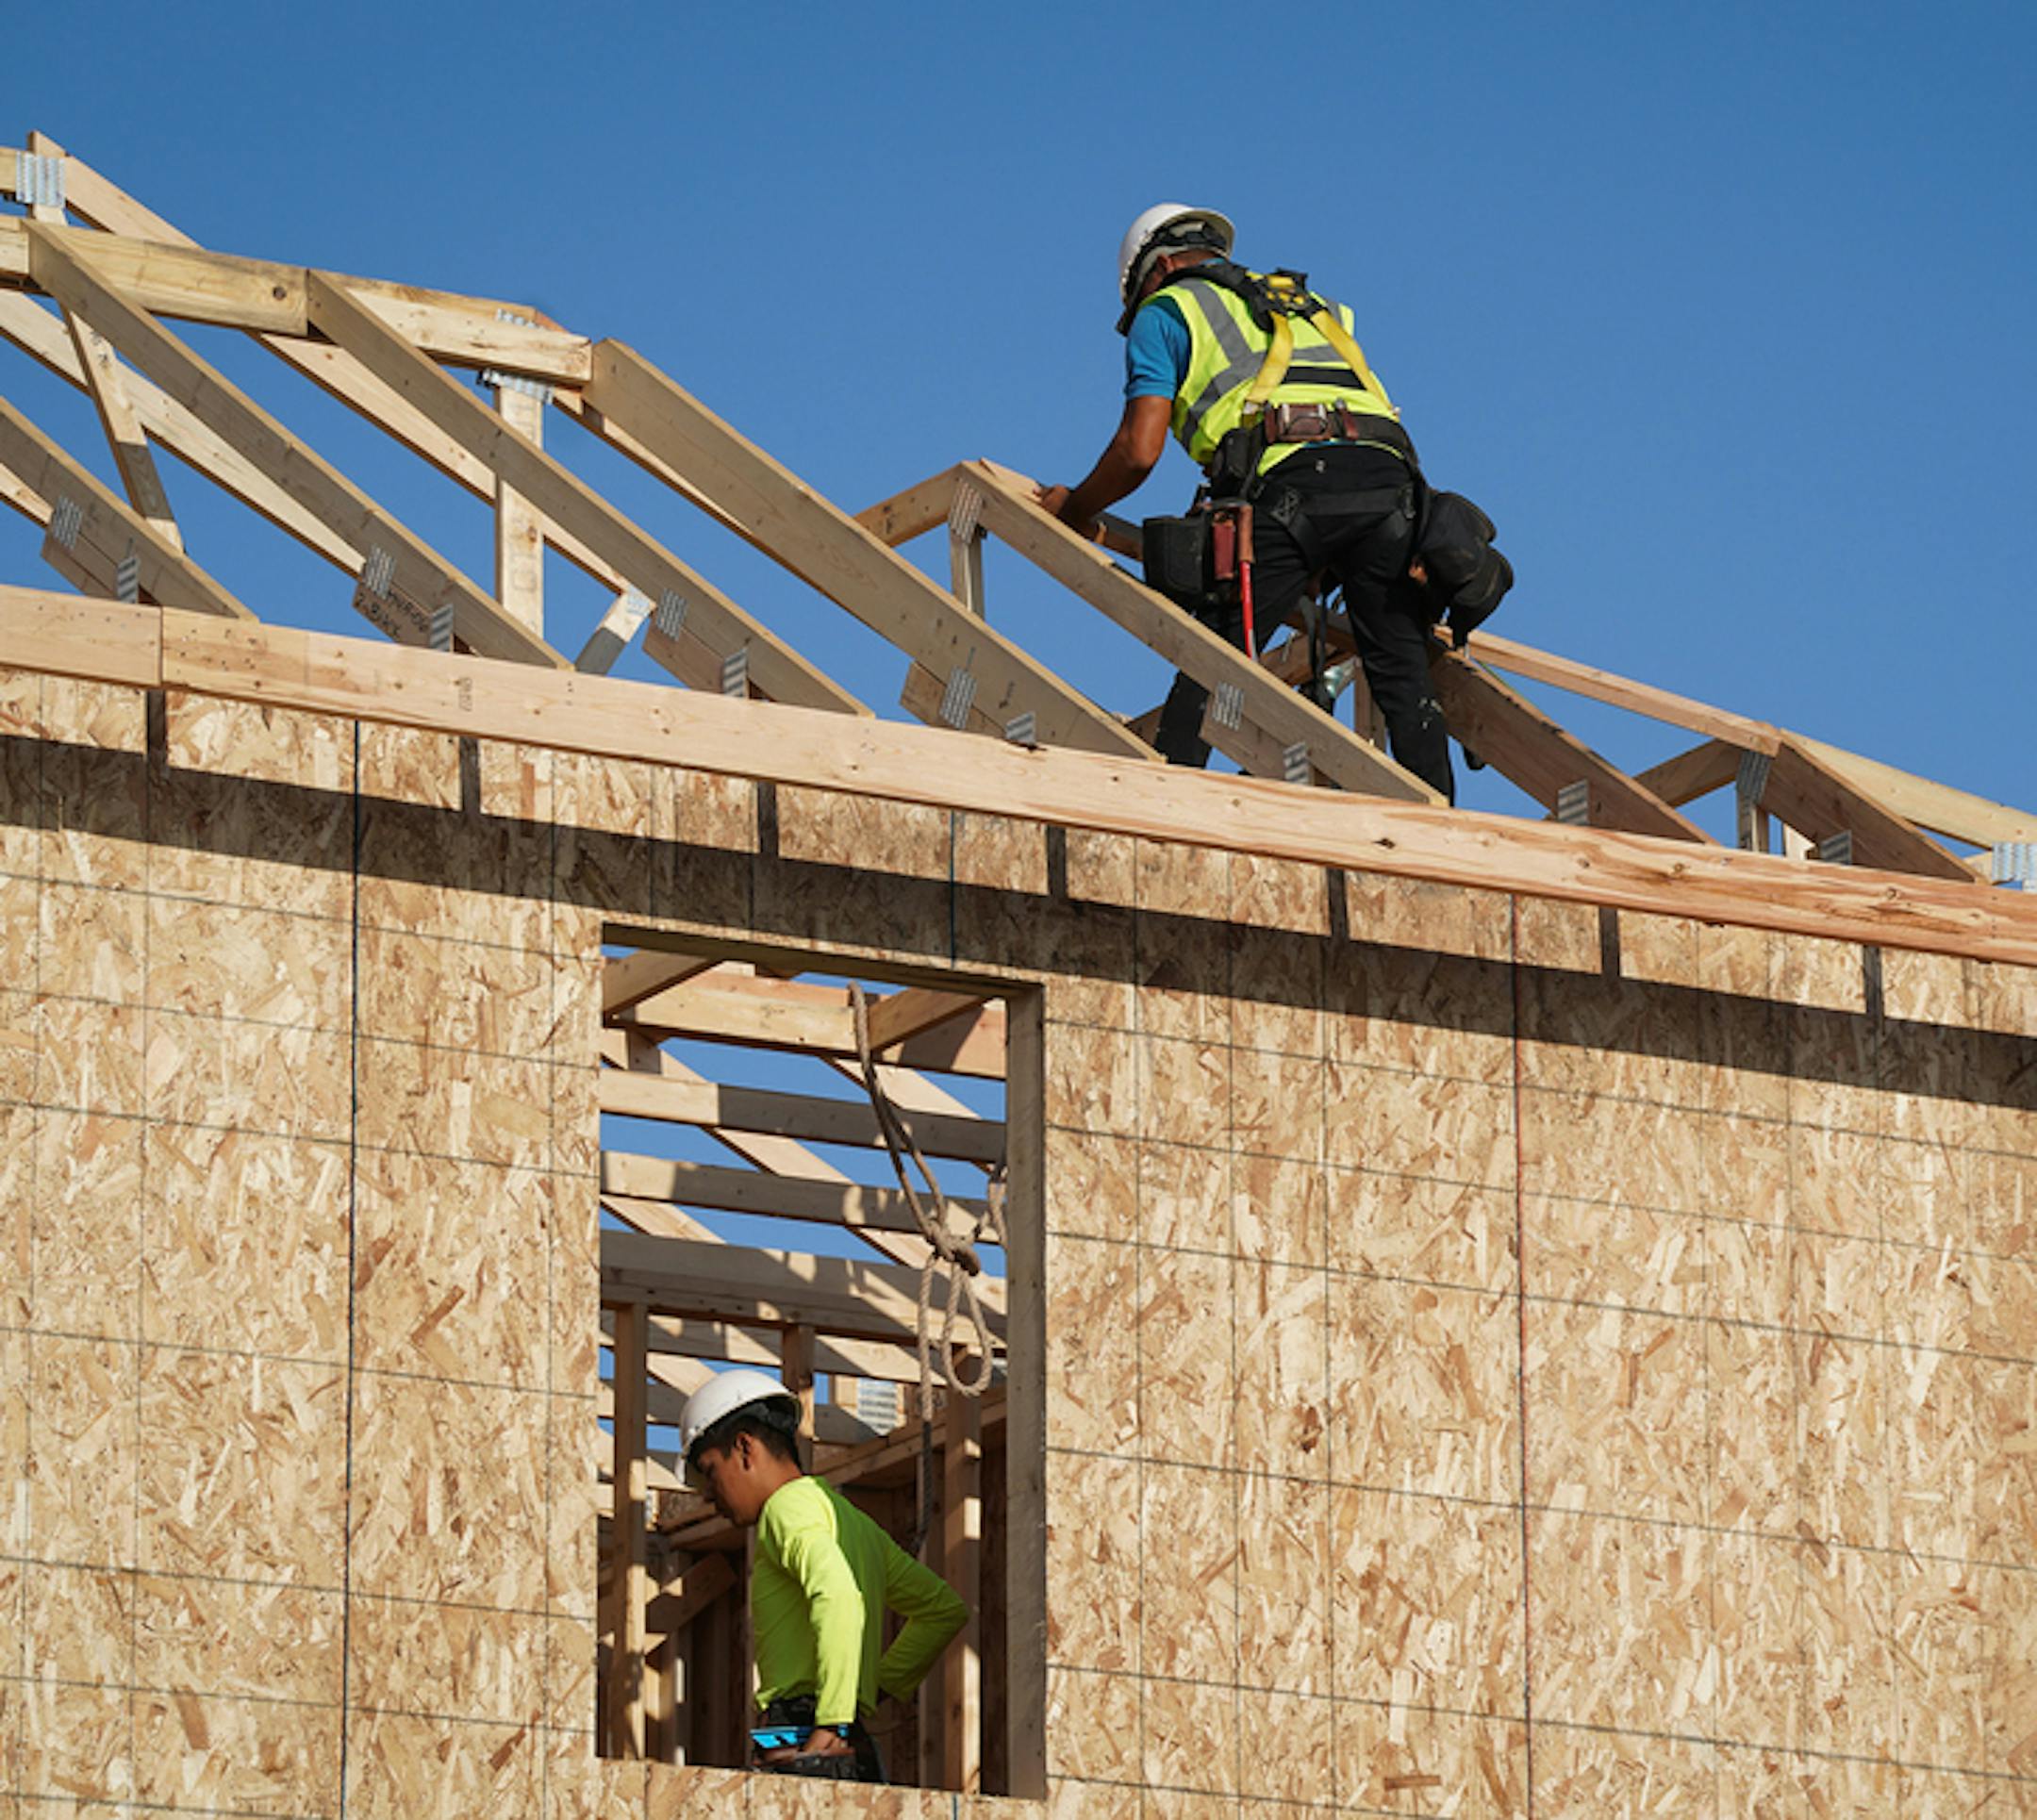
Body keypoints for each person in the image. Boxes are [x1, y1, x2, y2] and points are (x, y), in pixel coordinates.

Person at [1036, 203, 1458, 801]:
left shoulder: (1167, 310)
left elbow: (1138, 450)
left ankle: (1168, 815)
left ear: (1152, 272)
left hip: (1289, 490)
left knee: (1213, 660)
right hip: (1393, 492)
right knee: (1402, 671)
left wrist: (1075, 510)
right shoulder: (1315, 310)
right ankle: (1441, 837)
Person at [679, 1369, 968, 1783]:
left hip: (807, 1726)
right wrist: (868, 1690)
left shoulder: (785, 1509)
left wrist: (832, 1721)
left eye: (709, 1472)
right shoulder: (852, 1521)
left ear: (745, 1447)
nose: (708, 1495)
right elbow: (943, 1610)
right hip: (844, 1733)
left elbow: (838, 1594)